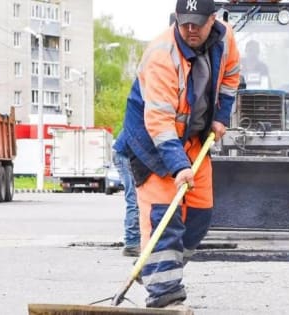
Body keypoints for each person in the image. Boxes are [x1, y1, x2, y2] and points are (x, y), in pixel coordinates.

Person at [114, 0, 240, 309]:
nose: (190, 28)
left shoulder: (226, 39)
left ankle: (156, 269)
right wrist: (178, 166)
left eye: (198, 22)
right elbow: (158, 122)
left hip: (193, 138)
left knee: (199, 214)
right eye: (185, 22)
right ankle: (164, 292)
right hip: (153, 146)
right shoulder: (161, 55)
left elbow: (231, 77)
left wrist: (221, 117)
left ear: (213, 19)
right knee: (164, 217)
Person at [113, 130, 141, 257]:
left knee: (138, 199)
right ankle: (132, 244)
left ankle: (135, 241)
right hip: (125, 156)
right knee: (134, 200)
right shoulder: (149, 115)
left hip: (127, 153)